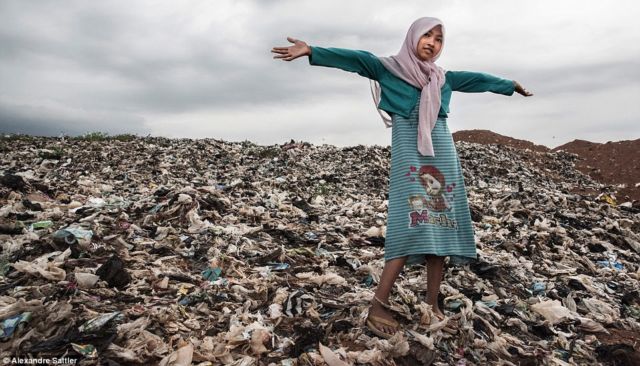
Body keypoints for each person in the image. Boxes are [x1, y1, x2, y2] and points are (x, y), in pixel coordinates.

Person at [272, 17, 533, 339]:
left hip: (443, 153)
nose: (432, 43)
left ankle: (432, 304)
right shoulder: (388, 68)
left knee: (442, 222)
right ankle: (378, 305)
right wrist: (312, 50)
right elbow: (355, 59)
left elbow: (477, 79)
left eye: (439, 39)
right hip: (411, 151)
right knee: (408, 222)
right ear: (413, 37)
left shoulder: (442, 78)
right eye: (427, 35)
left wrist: (510, 86)